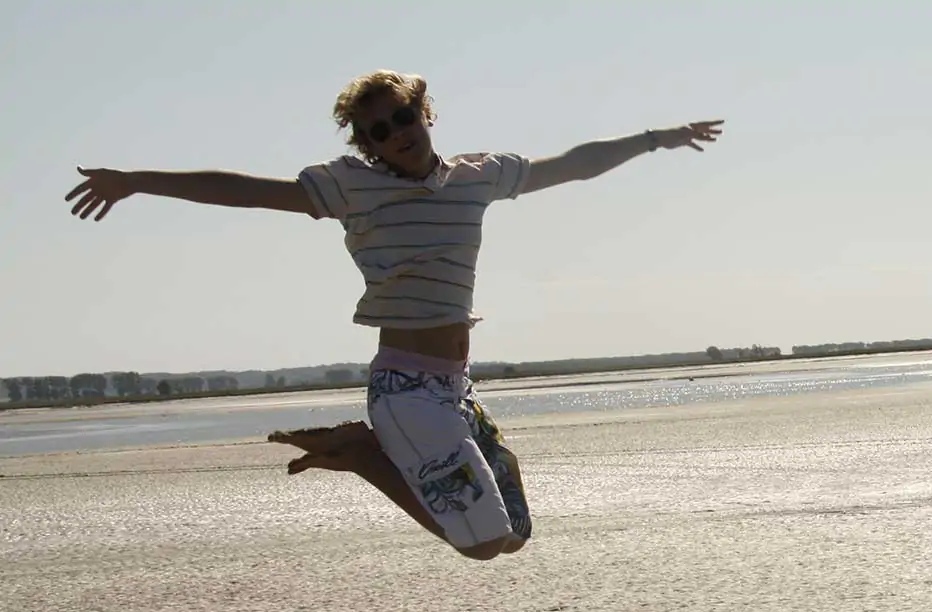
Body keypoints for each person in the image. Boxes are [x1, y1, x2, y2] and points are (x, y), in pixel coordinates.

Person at [65, 69, 723, 559]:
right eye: (378, 131)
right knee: (482, 545)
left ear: (423, 111)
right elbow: (243, 190)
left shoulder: (478, 176)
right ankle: (361, 454)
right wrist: (136, 181)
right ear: (368, 146)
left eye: (402, 117)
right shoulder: (351, 188)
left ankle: (382, 448)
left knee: (516, 535)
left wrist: (658, 138)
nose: (396, 135)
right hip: (405, 391)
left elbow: (575, 166)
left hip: (452, 390)